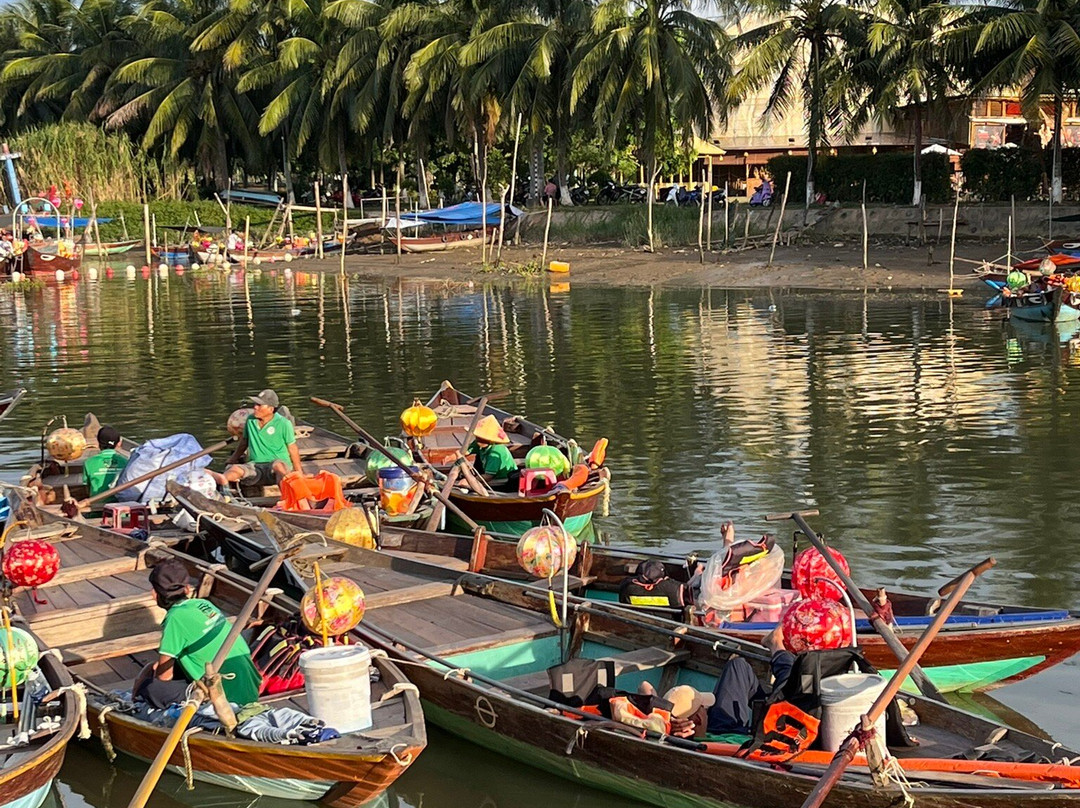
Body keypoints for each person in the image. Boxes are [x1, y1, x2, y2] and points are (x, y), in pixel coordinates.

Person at [132, 558, 262, 709]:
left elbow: (164, 676)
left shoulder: (175, 618)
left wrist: (145, 680)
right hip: (251, 689)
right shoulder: (204, 604)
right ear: (187, 589)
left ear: (155, 594)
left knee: (150, 689)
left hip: (226, 699)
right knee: (179, 662)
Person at [707, 626, 794, 736]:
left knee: (738, 666)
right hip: (782, 719)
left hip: (728, 734)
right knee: (738, 666)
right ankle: (777, 648)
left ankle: (777, 647)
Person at [209, 389, 304, 489]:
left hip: (276, 466)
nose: (255, 407)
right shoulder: (250, 420)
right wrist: (233, 459)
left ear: (270, 409)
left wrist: (299, 472)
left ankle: (286, 496)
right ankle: (220, 481)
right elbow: (244, 442)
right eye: (255, 404)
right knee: (235, 469)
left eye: (259, 405)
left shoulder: (283, 423)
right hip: (255, 466)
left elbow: (292, 448)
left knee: (279, 466)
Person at [465, 415, 518, 492]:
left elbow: (489, 476)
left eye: (480, 438)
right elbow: (465, 452)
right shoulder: (479, 443)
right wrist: (450, 458)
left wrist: (470, 480)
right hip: (488, 471)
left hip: (502, 480)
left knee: (470, 487)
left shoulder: (495, 452)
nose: (477, 440)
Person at [82, 425, 128, 500]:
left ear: (98, 442)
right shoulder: (125, 461)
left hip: (96, 506)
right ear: (118, 443)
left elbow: (86, 488)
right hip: (120, 508)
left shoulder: (89, 462)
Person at [618, 559, 687, 609]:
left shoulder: (626, 586)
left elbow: (622, 601)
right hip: (669, 623)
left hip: (636, 621)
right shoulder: (674, 588)